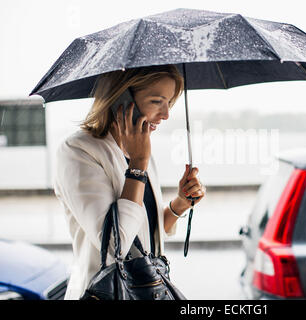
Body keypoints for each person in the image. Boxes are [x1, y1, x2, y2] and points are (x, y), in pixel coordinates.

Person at [53, 65, 206, 300]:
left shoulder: (138, 149)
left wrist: (179, 205)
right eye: (157, 101)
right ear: (121, 98)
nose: (166, 114)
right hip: (104, 293)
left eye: (169, 103)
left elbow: (143, 236)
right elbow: (116, 245)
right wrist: (137, 165)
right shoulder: (78, 151)